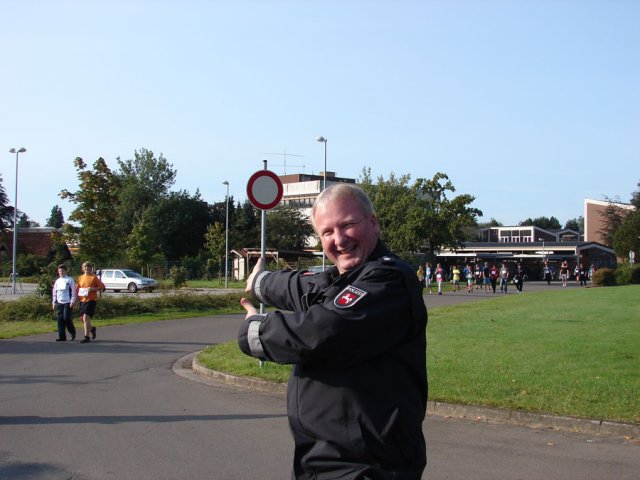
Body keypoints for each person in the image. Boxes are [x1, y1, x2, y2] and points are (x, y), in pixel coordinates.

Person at [238, 183, 428, 480]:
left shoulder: (388, 279)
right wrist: (261, 281)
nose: (339, 240)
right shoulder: (345, 279)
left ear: (373, 223)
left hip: (367, 464)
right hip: (324, 458)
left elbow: (323, 332)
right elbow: (306, 287)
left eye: (348, 225)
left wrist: (255, 330)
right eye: (327, 232)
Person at [76, 261, 105, 343]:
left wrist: (92, 289)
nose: (87, 269)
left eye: (88, 268)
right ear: (82, 269)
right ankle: (92, 329)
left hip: (91, 300)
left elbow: (101, 286)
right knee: (82, 319)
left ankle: (86, 337)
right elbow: (78, 288)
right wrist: (76, 298)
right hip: (82, 299)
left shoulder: (94, 277)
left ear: (91, 269)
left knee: (86, 317)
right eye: (85, 267)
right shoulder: (80, 277)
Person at [52, 264, 77, 342]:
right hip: (59, 302)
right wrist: (54, 302)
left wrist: (72, 301)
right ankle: (62, 336)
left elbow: (73, 291)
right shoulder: (57, 281)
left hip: (67, 302)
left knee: (66, 318)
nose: (61, 272)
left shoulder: (70, 280)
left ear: (66, 271)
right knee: (60, 319)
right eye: (59, 271)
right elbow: (54, 292)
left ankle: (72, 331)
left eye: (62, 271)